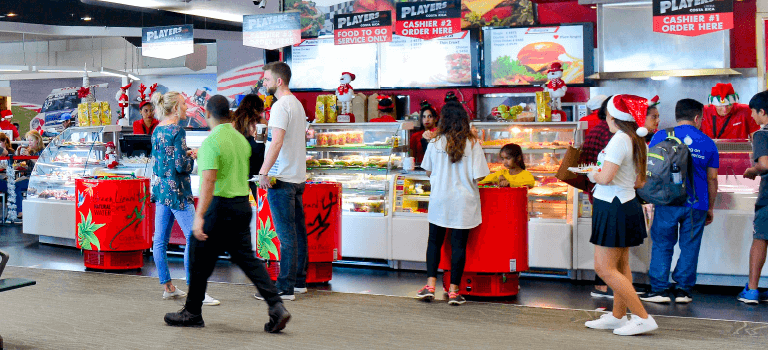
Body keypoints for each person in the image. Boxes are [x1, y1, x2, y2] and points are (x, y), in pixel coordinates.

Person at [164, 95, 291, 333]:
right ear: (229, 114)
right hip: (242, 205)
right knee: (248, 260)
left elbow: (209, 181)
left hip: (219, 207)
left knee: (198, 255)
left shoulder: (212, 141)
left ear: (208, 114)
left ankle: (192, 312)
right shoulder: (240, 139)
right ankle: (276, 306)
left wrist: (199, 216)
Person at [584, 94, 657, 336]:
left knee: (604, 269)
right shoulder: (637, 139)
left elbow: (605, 177)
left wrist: (591, 174)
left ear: (613, 117)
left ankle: (642, 317)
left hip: (612, 205)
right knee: (621, 265)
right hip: (626, 203)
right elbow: (638, 181)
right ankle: (618, 315)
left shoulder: (619, 140)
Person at [640, 99, 718, 304]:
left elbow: (652, 168)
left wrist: (648, 198)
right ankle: (683, 290)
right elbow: (712, 178)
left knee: (662, 244)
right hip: (696, 204)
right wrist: (710, 207)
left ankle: (659, 289)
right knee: (690, 246)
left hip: (666, 201)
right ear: (697, 117)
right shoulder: (708, 142)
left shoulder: (661, 135)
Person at [415, 101, 490, 306]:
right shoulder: (472, 143)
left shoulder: (435, 142)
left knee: (434, 242)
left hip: (440, 198)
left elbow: (428, 171)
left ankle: (430, 286)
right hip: (463, 201)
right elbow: (480, 176)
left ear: (443, 120)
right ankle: (454, 292)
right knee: (458, 246)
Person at [149, 91, 219, 306]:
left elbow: (165, 159)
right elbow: (180, 166)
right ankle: (195, 290)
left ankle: (168, 287)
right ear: (175, 108)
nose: (187, 108)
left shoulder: (157, 129)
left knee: (159, 240)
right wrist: (194, 161)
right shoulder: (177, 130)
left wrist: (185, 153)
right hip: (178, 192)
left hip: (161, 190)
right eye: (183, 104)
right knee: (193, 237)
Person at [256, 62, 309, 300]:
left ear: (279, 81)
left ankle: (284, 287)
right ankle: (298, 281)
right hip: (297, 178)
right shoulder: (296, 104)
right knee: (298, 233)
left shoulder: (280, 106)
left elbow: (276, 142)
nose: (263, 83)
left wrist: (263, 172)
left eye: (266, 79)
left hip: (282, 179)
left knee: (286, 235)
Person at [577, 95, 615, 299]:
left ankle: (602, 285)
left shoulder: (594, 129)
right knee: (609, 242)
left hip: (595, 192)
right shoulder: (609, 134)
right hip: (605, 193)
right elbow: (608, 172)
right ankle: (606, 286)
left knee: (604, 240)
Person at [738, 91, 768, 304]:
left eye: (754, 113)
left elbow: (765, 164)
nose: (752, 117)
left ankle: (752, 290)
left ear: (762, 112)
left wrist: (752, 170)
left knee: (760, 238)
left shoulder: (761, 134)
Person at [232, 94, 267, 199]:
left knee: (239, 202)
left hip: (239, 165)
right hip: (258, 166)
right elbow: (270, 141)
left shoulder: (234, 122)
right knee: (262, 201)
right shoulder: (261, 122)